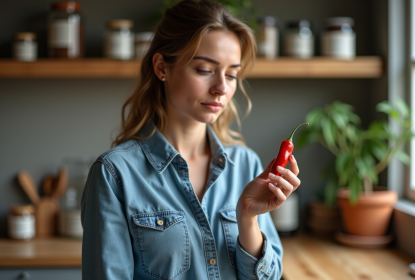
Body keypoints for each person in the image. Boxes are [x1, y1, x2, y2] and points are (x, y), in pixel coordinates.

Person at [81, 0, 301, 279]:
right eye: (204, 70)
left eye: (232, 74)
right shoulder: (114, 174)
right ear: (162, 67)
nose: (222, 87)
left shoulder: (246, 164)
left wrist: (247, 217)